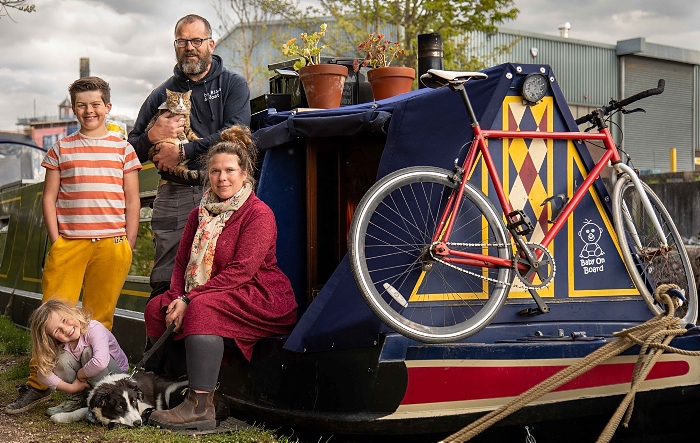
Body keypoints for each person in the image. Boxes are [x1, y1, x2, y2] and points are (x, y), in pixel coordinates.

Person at [144, 126, 297, 431]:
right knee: (157, 307)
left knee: (202, 311)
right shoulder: (198, 212)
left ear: (244, 173)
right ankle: (179, 392)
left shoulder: (258, 213)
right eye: (215, 171)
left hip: (258, 294)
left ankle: (199, 408)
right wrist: (177, 296)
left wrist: (189, 299)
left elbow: (243, 270)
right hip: (212, 292)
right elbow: (181, 262)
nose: (222, 178)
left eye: (229, 170)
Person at [4, 76, 141, 415]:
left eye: (95, 104)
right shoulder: (61, 148)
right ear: (73, 109)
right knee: (50, 318)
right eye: (82, 105)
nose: (89, 110)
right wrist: (58, 241)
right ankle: (39, 384)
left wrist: (128, 242)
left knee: (99, 319)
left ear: (107, 107)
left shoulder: (123, 148)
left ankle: (95, 387)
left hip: (111, 245)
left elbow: (133, 199)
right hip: (70, 246)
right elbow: (49, 199)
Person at [127, 14, 251, 299]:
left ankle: (208, 338)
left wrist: (183, 151)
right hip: (174, 192)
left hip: (223, 190)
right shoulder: (161, 93)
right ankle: (161, 343)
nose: (190, 47)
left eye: (196, 40)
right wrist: (153, 136)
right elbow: (130, 150)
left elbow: (237, 134)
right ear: (175, 45)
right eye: (182, 41)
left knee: (221, 273)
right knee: (165, 280)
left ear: (211, 43)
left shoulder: (233, 85)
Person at [29, 299, 129, 415]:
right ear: (50, 338)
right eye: (57, 330)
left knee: (88, 352)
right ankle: (77, 399)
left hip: (115, 376)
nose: (66, 329)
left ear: (72, 312)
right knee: (60, 359)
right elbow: (43, 374)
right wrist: (71, 388)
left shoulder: (93, 328)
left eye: (64, 320)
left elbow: (101, 361)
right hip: (88, 380)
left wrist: (80, 374)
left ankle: (107, 401)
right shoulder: (60, 344)